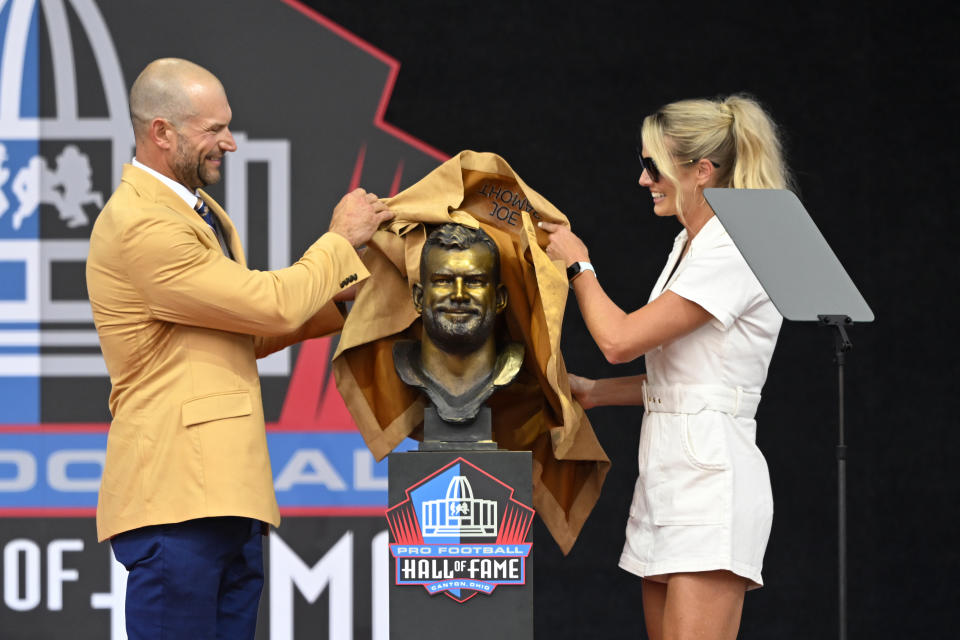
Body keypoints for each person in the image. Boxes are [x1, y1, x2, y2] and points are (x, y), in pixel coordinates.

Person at [86, 58, 393, 640]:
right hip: (177, 501)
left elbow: (242, 334)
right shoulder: (141, 225)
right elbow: (268, 304)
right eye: (213, 129)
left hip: (223, 497)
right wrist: (337, 241)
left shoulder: (194, 214)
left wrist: (346, 300)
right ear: (161, 133)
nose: (228, 141)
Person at [539, 94, 792, 640]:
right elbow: (685, 377)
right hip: (668, 469)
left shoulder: (736, 247)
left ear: (701, 172)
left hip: (711, 476)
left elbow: (618, 340)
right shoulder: (689, 243)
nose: (642, 179)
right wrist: (592, 393)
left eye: (652, 166)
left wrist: (579, 265)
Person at [393, 223, 523, 424]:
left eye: (474, 282)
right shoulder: (405, 366)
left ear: (499, 298)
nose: (459, 295)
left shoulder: (517, 370)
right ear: (419, 298)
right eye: (444, 281)